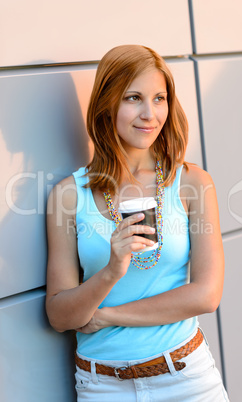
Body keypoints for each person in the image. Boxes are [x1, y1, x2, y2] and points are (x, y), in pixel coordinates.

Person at [46, 44, 229, 401]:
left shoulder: (192, 183)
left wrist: (109, 315)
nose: (150, 114)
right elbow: (59, 315)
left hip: (186, 379)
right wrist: (111, 271)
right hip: (101, 386)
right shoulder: (68, 196)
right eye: (134, 98)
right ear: (106, 104)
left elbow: (207, 295)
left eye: (159, 98)